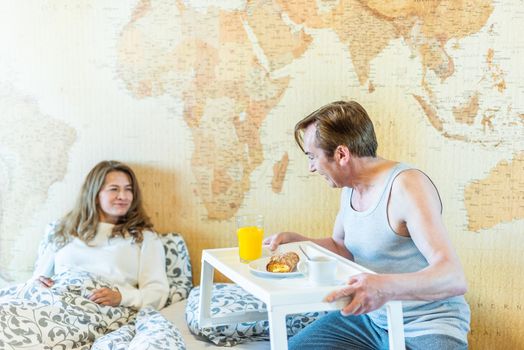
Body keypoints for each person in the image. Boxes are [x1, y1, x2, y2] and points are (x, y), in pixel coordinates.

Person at [264, 101, 471, 349]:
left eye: (312, 157)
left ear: (342, 154)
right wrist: (300, 242)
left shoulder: (407, 186)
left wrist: (382, 287)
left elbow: (453, 277)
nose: (311, 168)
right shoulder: (350, 188)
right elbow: (343, 248)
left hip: (425, 324)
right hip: (372, 321)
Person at [33, 160, 169, 310]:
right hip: (54, 304)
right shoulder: (60, 230)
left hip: (101, 311)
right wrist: (39, 284)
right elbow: (36, 281)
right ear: (95, 194)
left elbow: (157, 292)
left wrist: (121, 297)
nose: (123, 196)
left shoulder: (144, 238)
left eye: (128, 189)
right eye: (114, 189)